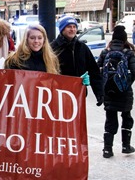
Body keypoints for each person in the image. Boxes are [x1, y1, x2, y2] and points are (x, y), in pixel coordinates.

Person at [96, 25, 135, 158]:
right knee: (127, 117)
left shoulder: (105, 52)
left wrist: (105, 84)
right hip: (124, 92)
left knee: (110, 119)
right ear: (124, 39)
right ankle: (125, 146)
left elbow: (96, 70)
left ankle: (107, 149)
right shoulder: (129, 53)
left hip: (109, 91)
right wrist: (125, 84)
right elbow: (134, 72)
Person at [51, 15, 104, 103]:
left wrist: (99, 93)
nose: (72, 29)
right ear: (62, 29)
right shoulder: (53, 48)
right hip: (59, 94)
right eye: (69, 27)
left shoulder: (82, 47)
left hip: (79, 93)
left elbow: (94, 71)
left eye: (74, 27)